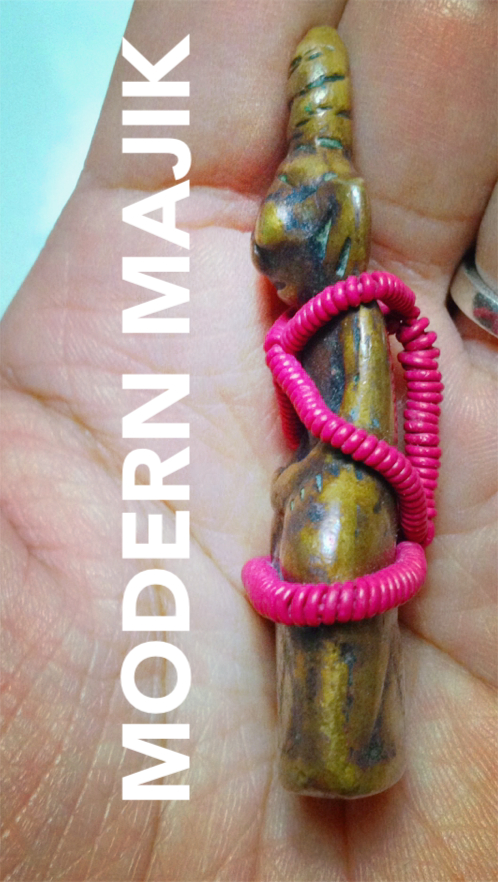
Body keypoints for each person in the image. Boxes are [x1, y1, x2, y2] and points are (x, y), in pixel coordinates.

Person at [1, 1, 496, 879]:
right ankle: (332, 747)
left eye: (288, 224)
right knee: (324, 597)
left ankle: (353, 747)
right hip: (325, 483)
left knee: (336, 586)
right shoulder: (327, 282)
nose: (268, 251)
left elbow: (353, 394)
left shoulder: (347, 272)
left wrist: (331, 471)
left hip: (342, 489)